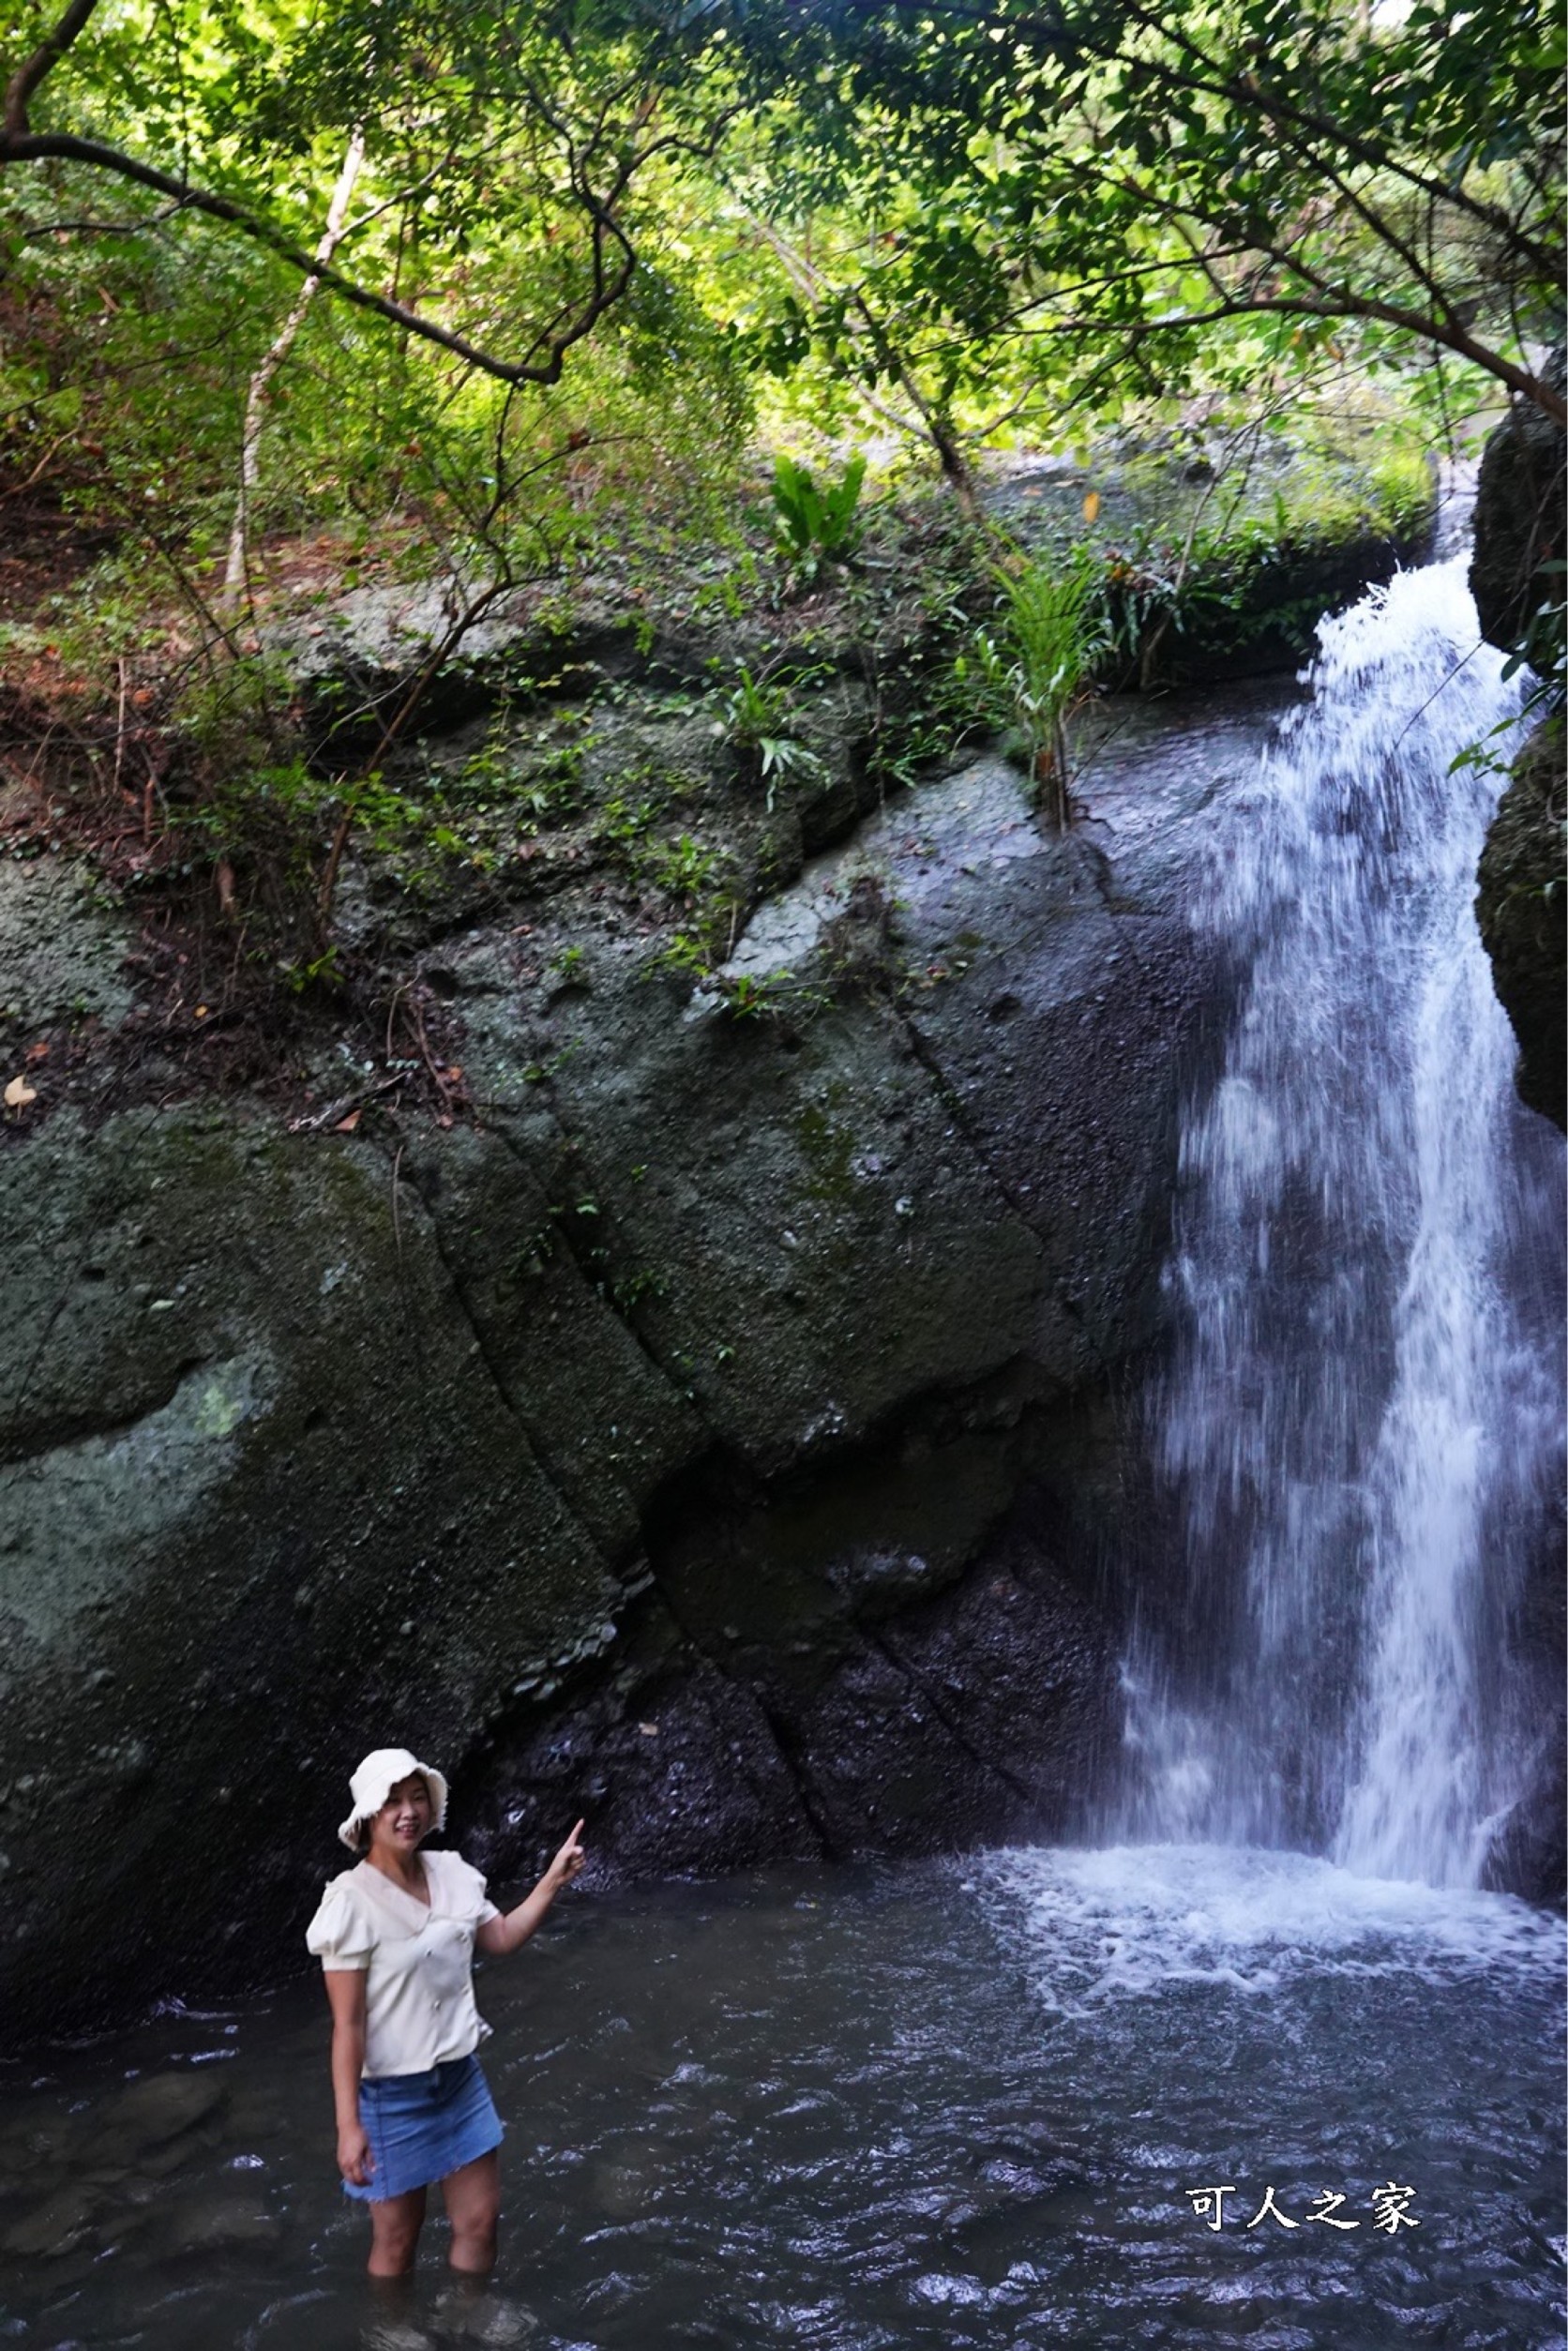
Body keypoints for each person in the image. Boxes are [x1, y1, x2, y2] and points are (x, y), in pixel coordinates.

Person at [307, 1745, 584, 2280]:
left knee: (480, 2221)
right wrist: (348, 2125)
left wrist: (551, 1881)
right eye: (392, 1802)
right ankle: (394, 2331)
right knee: (397, 2240)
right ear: (367, 1817)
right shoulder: (349, 1903)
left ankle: (467, 2318)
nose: (408, 1812)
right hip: (393, 2095)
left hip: (460, 2080)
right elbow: (348, 2025)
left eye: (417, 1799)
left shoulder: (452, 1873)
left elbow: (500, 1937)